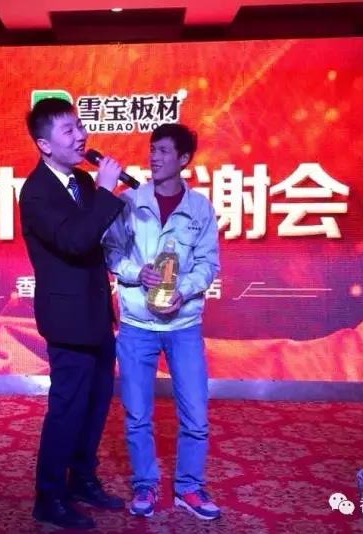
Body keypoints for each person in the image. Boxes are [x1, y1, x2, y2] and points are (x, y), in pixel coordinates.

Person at [102, 123, 221, 520]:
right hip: (137, 324)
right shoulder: (128, 202)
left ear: (184, 159)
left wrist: (182, 290)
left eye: (164, 151)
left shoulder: (200, 208)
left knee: (196, 415)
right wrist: (138, 273)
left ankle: (189, 486)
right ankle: (145, 484)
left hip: (183, 325)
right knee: (137, 414)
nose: (154, 157)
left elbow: (208, 264)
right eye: (153, 149)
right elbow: (112, 255)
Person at [19, 97, 125, 529]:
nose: (81, 136)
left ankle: (82, 479)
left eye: (80, 126)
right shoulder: (36, 192)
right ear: (44, 144)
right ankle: (49, 497)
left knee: (96, 405)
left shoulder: (81, 181)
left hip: (97, 314)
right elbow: (76, 240)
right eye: (69, 130)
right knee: (67, 409)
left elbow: (98, 240)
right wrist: (106, 192)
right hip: (67, 321)